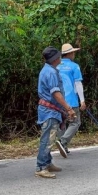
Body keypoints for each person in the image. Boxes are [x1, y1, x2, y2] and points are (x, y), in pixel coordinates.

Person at [36, 47, 75, 179]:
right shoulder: (51, 72)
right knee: (47, 139)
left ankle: (47, 162)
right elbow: (56, 94)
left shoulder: (49, 70)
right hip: (49, 111)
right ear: (54, 59)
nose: (60, 58)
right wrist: (68, 108)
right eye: (58, 56)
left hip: (51, 110)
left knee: (50, 138)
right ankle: (41, 167)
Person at [56, 43, 86, 155]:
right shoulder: (74, 66)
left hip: (58, 100)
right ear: (69, 54)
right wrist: (82, 100)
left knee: (62, 123)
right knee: (75, 122)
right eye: (73, 52)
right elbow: (78, 84)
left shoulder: (56, 66)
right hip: (71, 100)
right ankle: (63, 142)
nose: (74, 54)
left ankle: (62, 145)